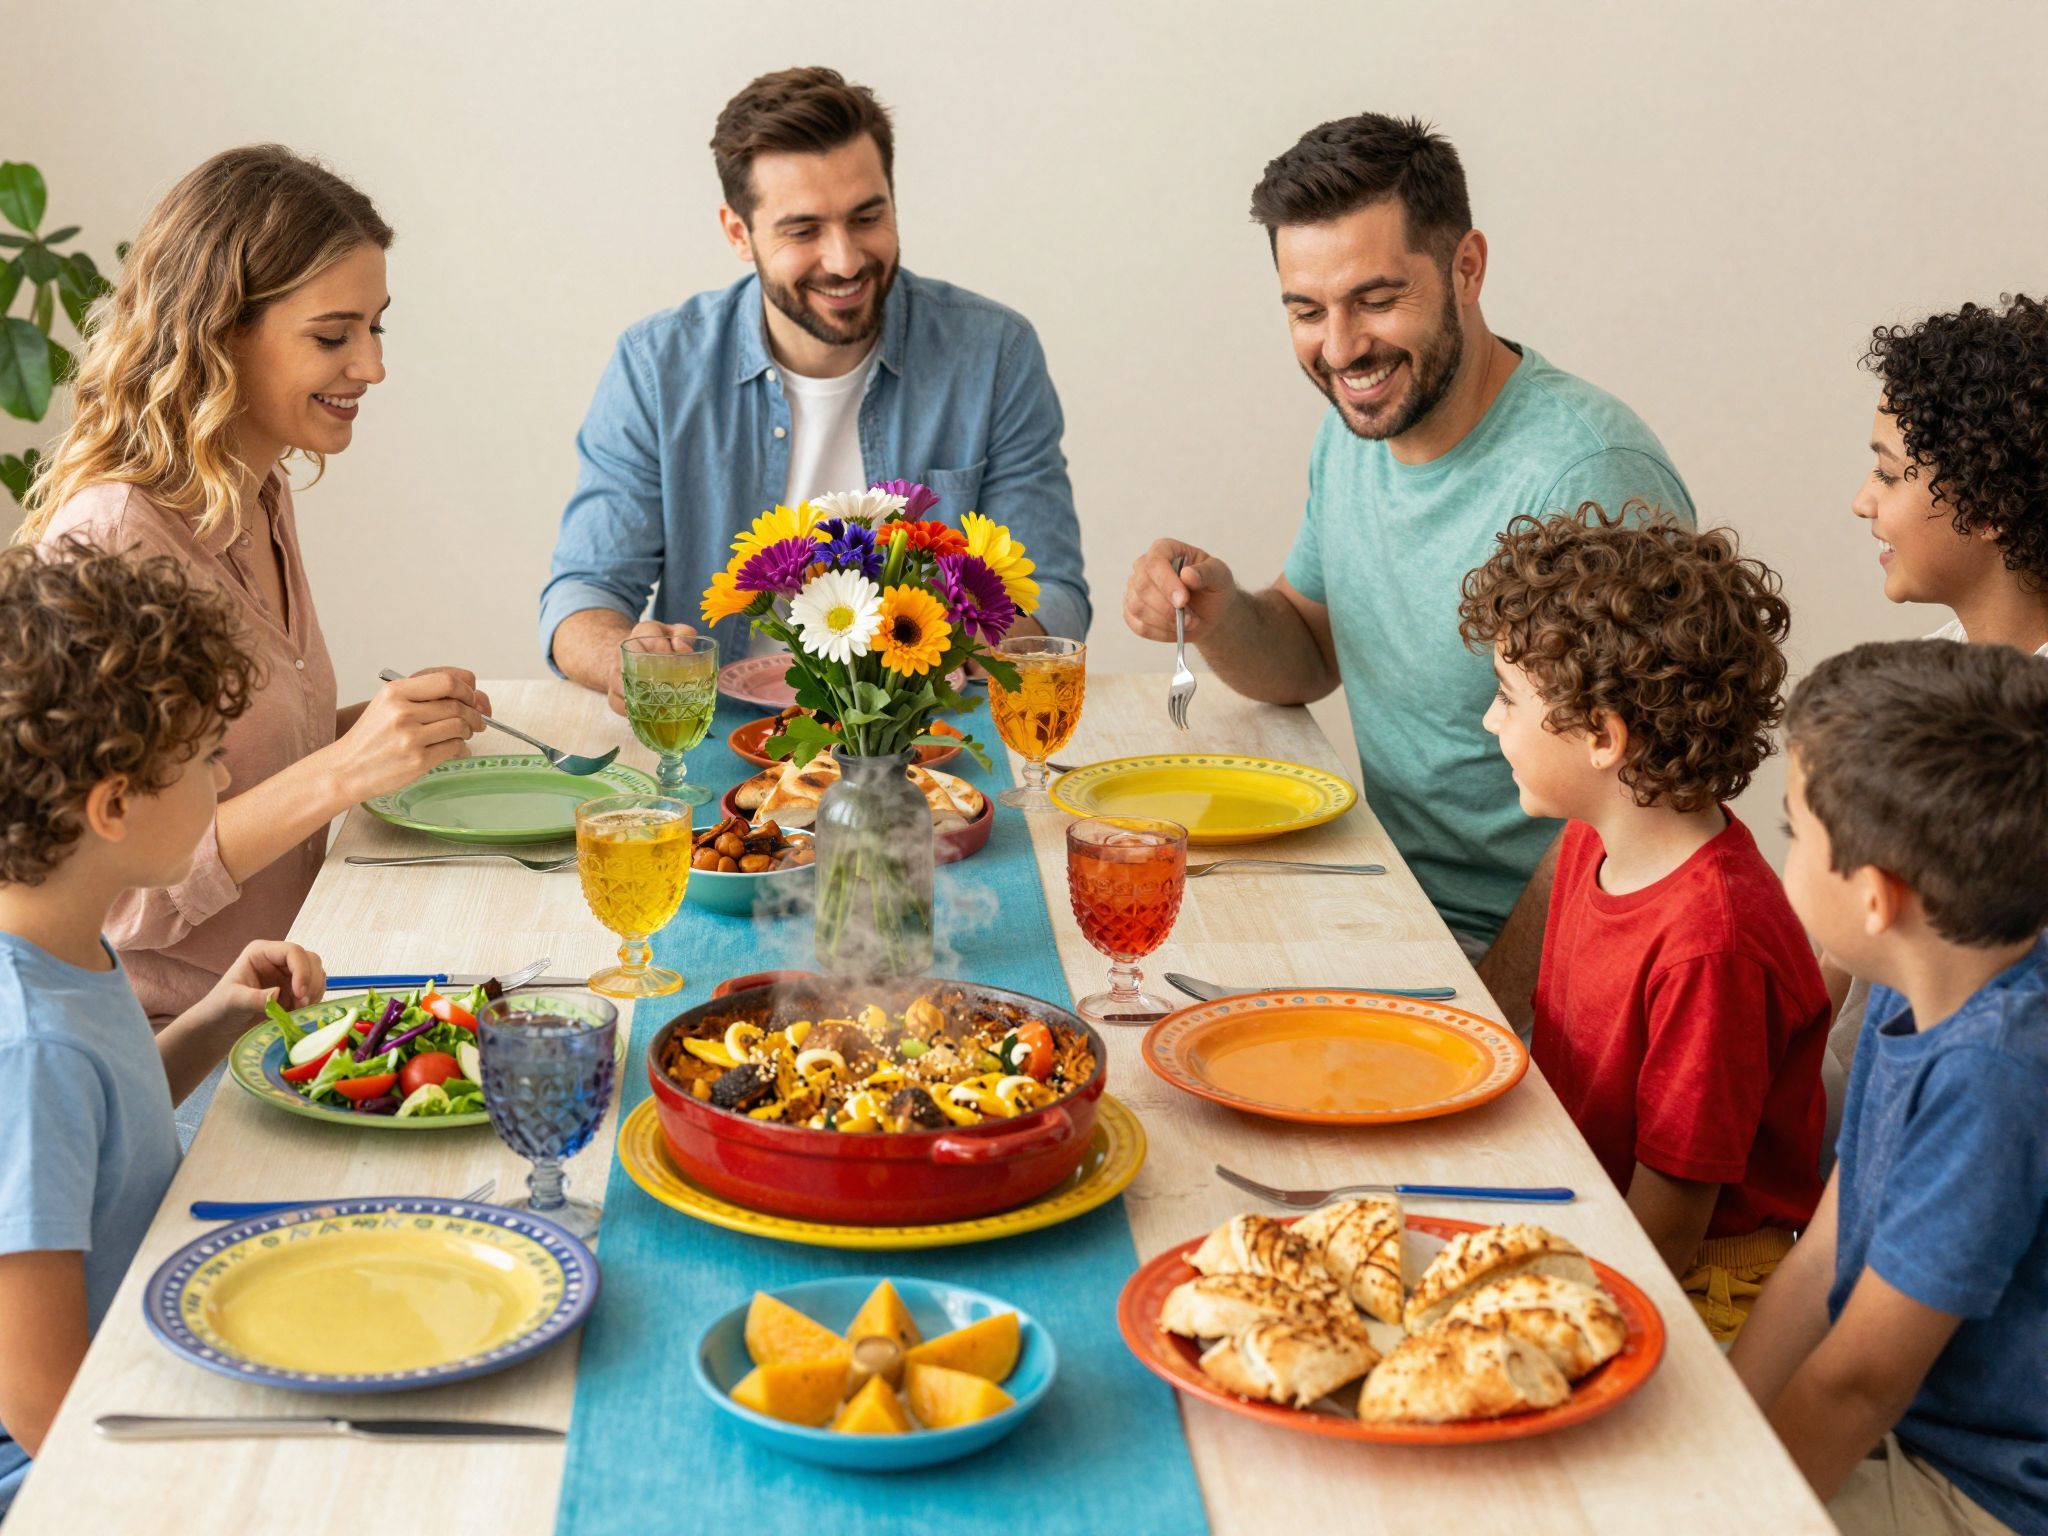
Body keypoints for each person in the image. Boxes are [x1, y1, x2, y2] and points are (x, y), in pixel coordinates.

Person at [1121, 113, 1692, 1028]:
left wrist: (1497, 1012)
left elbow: (1645, 804)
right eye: (1307, 311)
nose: (1341, 349)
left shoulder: (1586, 478)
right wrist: (1223, 612)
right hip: (1385, 898)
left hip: (1533, 964)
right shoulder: (1360, 426)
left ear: (1467, 268)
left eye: (1376, 300)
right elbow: (1313, 650)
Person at [15, 146, 486, 1054]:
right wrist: (345, 771)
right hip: (170, 1052)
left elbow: (234, 757)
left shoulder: (256, 490)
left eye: (379, 327)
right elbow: (101, 891)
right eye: (333, 334)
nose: (373, 366)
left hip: (290, 1000)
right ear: (221, 333)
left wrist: (383, 732)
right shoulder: (112, 539)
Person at [542, 66, 1091, 710]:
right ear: (738, 233)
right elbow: (582, 595)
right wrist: (629, 662)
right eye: (803, 231)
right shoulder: (655, 366)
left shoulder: (996, 352)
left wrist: (931, 651)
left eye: (867, 217)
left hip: (931, 735)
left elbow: (1052, 592)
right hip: (720, 733)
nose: (845, 260)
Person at [0, 541, 326, 1514]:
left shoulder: (61, 943)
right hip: (66, 1466)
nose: (223, 783)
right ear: (112, 805)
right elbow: (37, 1398)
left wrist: (221, 1015)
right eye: (203, 760)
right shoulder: (31, 1045)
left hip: (136, 1369)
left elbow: (109, 1131)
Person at [1457, 506, 1828, 1341]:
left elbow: (1669, 1221)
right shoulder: (1594, 834)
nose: (1490, 721)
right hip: (1597, 1207)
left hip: (1701, 1280)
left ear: (1602, 737)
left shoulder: (1712, 944)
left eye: (1506, 699)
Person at [1730, 640, 2048, 1536]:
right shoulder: (1917, 978)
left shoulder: (1996, 1078)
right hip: (1911, 1426)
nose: (1782, 852)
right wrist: (1719, 1432)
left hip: (1988, 1493)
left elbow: (1860, 1382)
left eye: (1794, 831)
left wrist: (1729, 1507)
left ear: (1876, 897)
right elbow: (1826, 1250)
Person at [1824, 294, 2048, 1077]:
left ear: (1985, 501)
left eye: (1888, 472)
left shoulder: (2010, 743)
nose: (1863, 499)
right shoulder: (1938, 663)